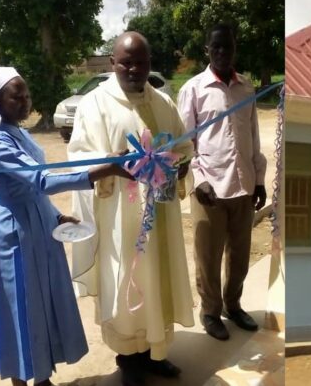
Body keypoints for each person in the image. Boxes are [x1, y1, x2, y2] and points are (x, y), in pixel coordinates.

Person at [0, 67, 130, 386]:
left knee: (42, 303)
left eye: (26, 93)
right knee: (21, 308)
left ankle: (41, 376)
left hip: (39, 226)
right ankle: (23, 379)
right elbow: (40, 178)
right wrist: (105, 170)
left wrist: (55, 216)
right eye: (15, 95)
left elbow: (36, 184)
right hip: (14, 235)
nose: (24, 100)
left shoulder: (19, 133)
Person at [67, 32, 194, 386]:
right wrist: (111, 165)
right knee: (129, 283)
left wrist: (182, 164)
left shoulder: (164, 102)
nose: (134, 69)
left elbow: (183, 144)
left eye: (141, 62)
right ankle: (129, 360)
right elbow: (78, 157)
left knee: (158, 281)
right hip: (121, 218)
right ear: (112, 64)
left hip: (161, 216)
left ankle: (155, 354)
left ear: (150, 63)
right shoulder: (95, 104)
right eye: (126, 62)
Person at [177, 23, 267, 341]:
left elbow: (254, 137)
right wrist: (198, 179)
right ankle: (211, 312)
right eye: (215, 47)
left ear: (234, 48)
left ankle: (233, 305)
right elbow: (184, 144)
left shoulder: (246, 88)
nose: (222, 53)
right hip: (209, 190)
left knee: (240, 254)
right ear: (207, 50)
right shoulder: (193, 89)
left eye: (227, 47)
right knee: (208, 256)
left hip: (243, 186)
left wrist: (259, 180)